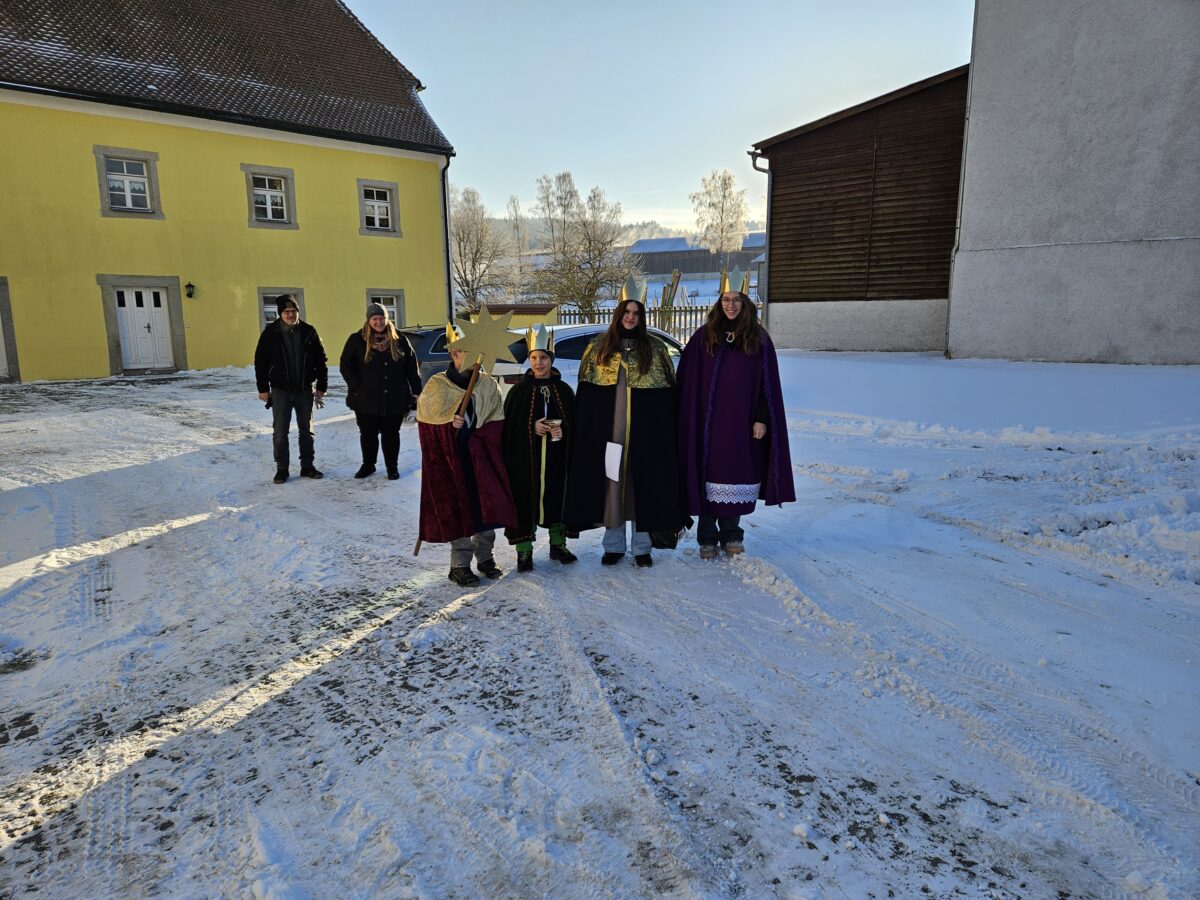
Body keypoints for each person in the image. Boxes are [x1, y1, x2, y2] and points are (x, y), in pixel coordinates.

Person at [563, 277, 685, 567]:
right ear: (618, 314)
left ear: (642, 317)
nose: (631, 317)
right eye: (626, 312)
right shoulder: (598, 349)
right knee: (612, 484)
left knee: (643, 485)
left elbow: (667, 399)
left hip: (645, 437)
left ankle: (642, 548)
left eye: (636, 313)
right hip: (610, 434)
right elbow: (588, 398)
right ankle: (613, 545)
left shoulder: (655, 350)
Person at [676, 270, 795, 558]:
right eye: (725, 300)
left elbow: (768, 385)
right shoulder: (703, 338)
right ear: (719, 304)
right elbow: (686, 381)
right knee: (707, 475)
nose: (730, 305)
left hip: (743, 425)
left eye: (736, 300)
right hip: (708, 426)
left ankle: (731, 533)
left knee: (736, 476)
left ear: (745, 304)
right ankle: (707, 537)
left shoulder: (758, 339)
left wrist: (762, 418)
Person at [416, 324, 517, 586]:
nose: (467, 356)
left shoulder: (487, 385)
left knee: (485, 507)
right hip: (452, 460)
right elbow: (427, 429)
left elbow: (496, 423)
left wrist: (477, 436)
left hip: (480, 458)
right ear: (453, 355)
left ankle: (485, 557)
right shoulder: (437, 386)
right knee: (457, 509)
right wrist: (449, 427)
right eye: (461, 351)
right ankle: (459, 564)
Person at [502, 324, 578, 572]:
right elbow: (510, 427)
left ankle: (558, 544)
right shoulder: (519, 392)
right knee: (526, 500)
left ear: (551, 360)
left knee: (559, 497)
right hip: (527, 460)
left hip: (557, 458)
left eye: (543, 357)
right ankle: (524, 552)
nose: (538, 363)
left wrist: (562, 430)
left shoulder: (564, 390)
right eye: (534, 357)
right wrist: (531, 428)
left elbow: (573, 423)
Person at [339, 302, 421, 480]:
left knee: (391, 434)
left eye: (382, 318)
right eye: (375, 318)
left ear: (387, 318)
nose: (379, 322)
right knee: (368, 434)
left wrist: (416, 390)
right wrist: (356, 386)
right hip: (365, 398)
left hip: (395, 397)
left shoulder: (399, 339)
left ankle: (392, 467)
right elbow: (345, 365)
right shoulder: (357, 339)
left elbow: (411, 367)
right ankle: (368, 465)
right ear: (368, 320)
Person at [254, 293, 327, 484]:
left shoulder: (309, 332)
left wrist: (321, 386)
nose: (290, 315)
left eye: (293, 311)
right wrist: (263, 388)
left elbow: (321, 361)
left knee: (306, 430)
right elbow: (260, 362)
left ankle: (307, 466)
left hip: (304, 389)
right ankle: (282, 469)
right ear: (280, 314)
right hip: (280, 390)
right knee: (280, 432)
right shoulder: (270, 334)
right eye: (286, 312)